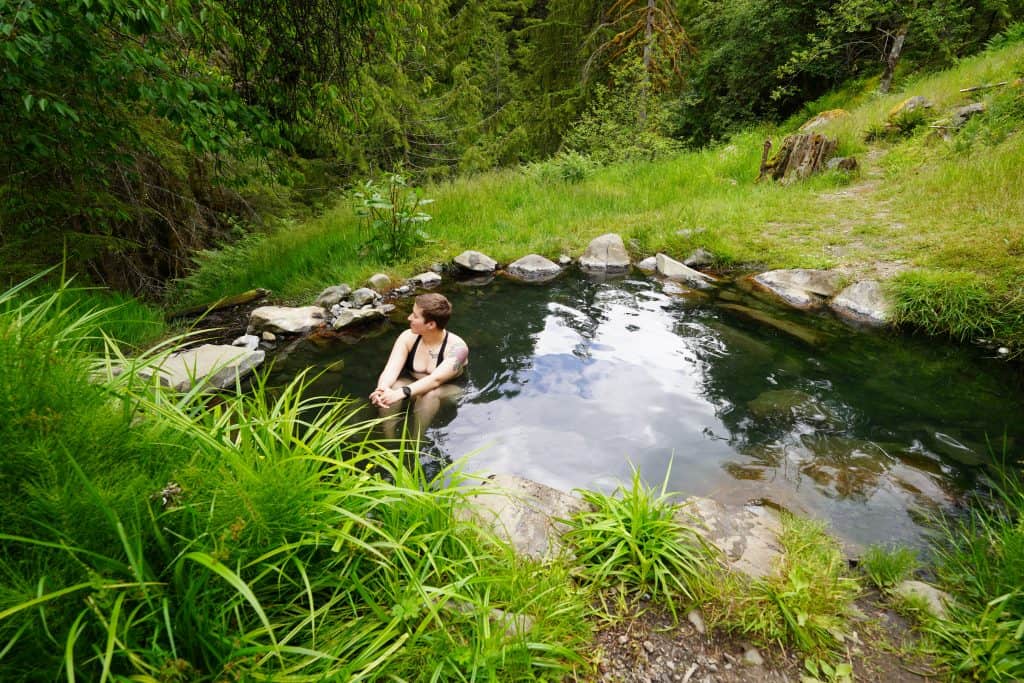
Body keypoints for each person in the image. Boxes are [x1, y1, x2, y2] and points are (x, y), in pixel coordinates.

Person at [369, 293, 469, 438]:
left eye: (415, 316)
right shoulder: (407, 337)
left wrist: (400, 394)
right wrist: (382, 388)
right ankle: (388, 437)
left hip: (448, 390)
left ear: (431, 324)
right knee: (393, 386)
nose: (409, 318)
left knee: (430, 394)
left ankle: (416, 441)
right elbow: (391, 368)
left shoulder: (458, 349)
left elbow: (435, 380)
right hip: (412, 386)